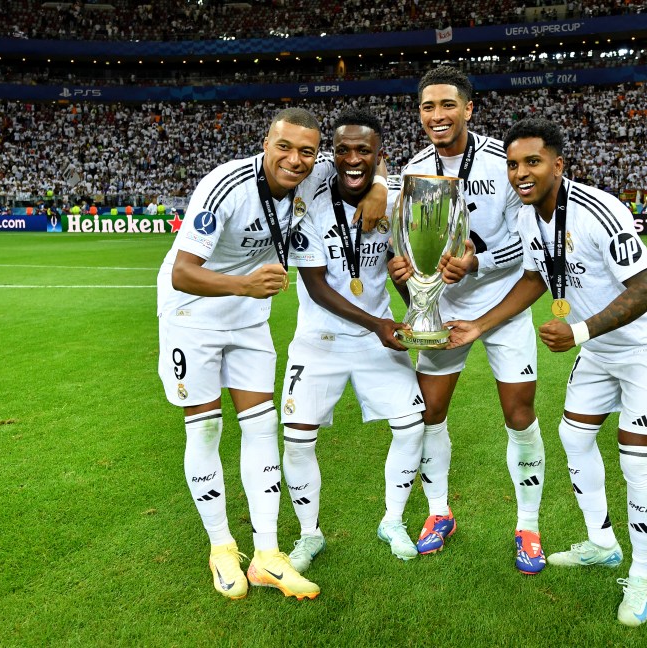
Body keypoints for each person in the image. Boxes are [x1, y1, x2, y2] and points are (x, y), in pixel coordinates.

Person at [446, 119, 647, 627]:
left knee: (637, 462)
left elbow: (645, 291)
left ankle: (642, 576)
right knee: (573, 438)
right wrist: (479, 326)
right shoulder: (531, 219)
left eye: (532, 162)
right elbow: (535, 278)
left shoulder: (600, 210)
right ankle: (602, 543)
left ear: (558, 163)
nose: (520, 173)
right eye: (512, 164)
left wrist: (578, 333)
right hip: (599, 350)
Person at [156, 107, 386, 601]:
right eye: (284, 147)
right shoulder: (226, 185)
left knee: (260, 427)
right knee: (207, 425)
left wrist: (381, 188)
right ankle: (221, 547)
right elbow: (182, 271)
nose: (295, 160)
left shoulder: (314, 173)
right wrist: (244, 283)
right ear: (266, 144)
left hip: (248, 316)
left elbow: (365, 165)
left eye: (307, 151)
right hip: (191, 312)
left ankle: (267, 555)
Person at [388, 66, 547, 574]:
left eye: (448, 105)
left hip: (501, 307)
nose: (438, 115)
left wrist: (477, 261)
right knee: (429, 412)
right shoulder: (413, 170)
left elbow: (530, 243)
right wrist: (407, 272)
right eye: (428, 107)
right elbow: (406, 242)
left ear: (469, 109)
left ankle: (528, 525)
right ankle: (439, 513)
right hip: (442, 308)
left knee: (519, 414)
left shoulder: (504, 162)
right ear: (420, 113)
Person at [279, 108, 425, 572]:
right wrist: (380, 325)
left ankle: (393, 521)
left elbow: (403, 271)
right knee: (297, 441)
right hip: (319, 338)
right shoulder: (310, 199)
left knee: (411, 426)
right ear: (332, 154)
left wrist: (414, 302)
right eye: (343, 149)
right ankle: (309, 534)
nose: (353, 158)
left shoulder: (397, 196)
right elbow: (318, 287)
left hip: (376, 337)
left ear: (380, 156)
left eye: (364, 150)